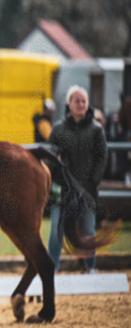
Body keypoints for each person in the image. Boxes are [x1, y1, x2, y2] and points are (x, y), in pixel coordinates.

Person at [47, 85, 107, 273]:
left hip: (86, 191)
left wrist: (92, 183)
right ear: (69, 104)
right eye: (77, 101)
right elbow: (50, 158)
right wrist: (58, 180)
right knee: (56, 233)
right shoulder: (57, 130)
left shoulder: (97, 130)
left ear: (88, 104)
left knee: (88, 231)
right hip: (62, 191)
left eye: (84, 101)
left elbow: (102, 157)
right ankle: (53, 269)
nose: (81, 104)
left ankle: (90, 268)